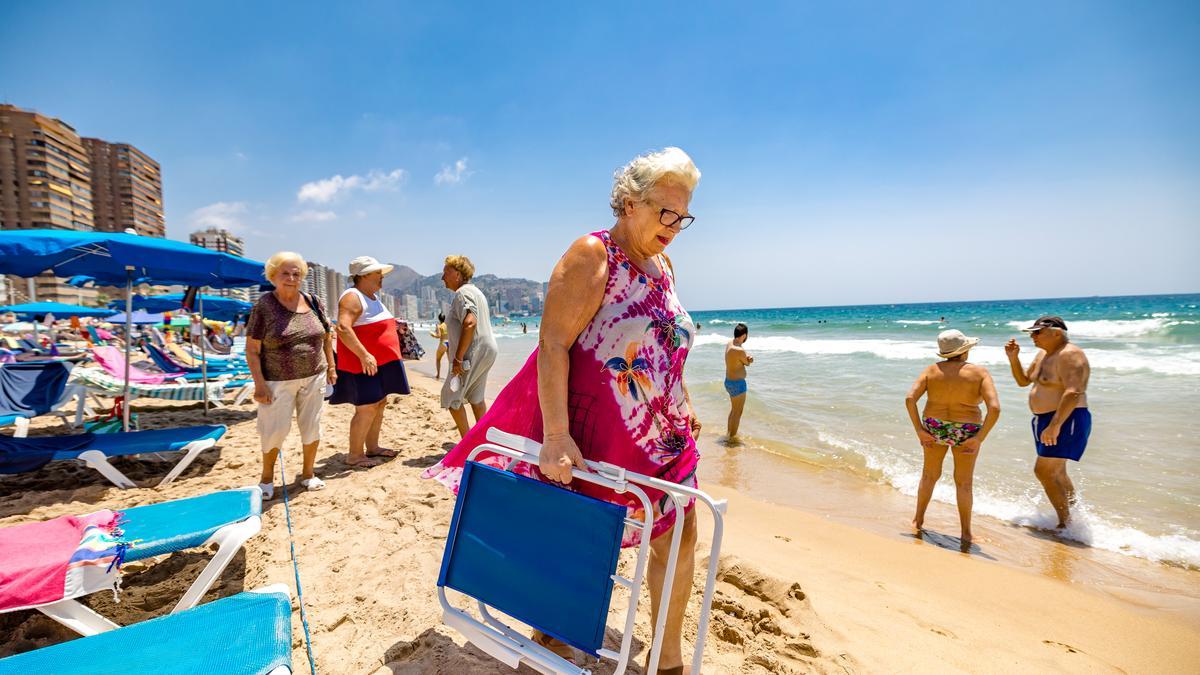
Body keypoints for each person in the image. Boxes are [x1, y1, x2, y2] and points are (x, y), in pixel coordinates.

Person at [423, 147, 703, 673]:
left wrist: (683, 401)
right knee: (578, 547)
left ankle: (669, 661)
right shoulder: (592, 255)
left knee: (680, 536)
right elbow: (552, 345)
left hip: (665, 438)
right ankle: (548, 641)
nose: (676, 225)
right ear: (627, 203)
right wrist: (555, 436)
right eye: (665, 211)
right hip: (597, 438)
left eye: (683, 215)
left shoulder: (663, 265)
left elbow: (667, 345)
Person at [246, 251, 334, 499]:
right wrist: (259, 385)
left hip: (314, 375)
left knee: (312, 427)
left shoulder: (314, 301)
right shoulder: (264, 306)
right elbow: (252, 351)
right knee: (274, 430)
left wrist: (332, 367)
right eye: (285, 273)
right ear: (273, 275)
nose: (291, 278)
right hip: (276, 381)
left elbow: (327, 335)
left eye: (297, 273)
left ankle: (308, 474)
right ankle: (266, 479)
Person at [905, 329, 1000, 546]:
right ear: (965, 351)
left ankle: (917, 521)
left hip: (934, 426)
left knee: (929, 476)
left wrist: (919, 430)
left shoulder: (931, 370)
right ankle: (966, 533)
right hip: (967, 429)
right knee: (964, 483)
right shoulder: (980, 373)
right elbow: (994, 408)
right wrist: (979, 438)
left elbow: (910, 398)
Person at [1005, 316, 1091, 528]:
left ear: (1056, 333)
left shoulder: (1070, 355)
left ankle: (1065, 525)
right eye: (1031, 333)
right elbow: (1023, 381)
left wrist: (1055, 425)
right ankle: (1075, 520)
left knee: (1043, 471)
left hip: (1065, 418)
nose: (1032, 336)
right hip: (1045, 420)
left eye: (1037, 332)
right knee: (1057, 472)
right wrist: (1013, 358)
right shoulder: (1043, 354)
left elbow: (1074, 391)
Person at [329, 256, 411, 467]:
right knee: (366, 407)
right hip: (363, 365)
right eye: (377, 273)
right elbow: (343, 328)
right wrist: (364, 354)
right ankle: (354, 455)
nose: (381, 277)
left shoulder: (372, 297)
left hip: (381, 364)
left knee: (379, 403)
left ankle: (372, 447)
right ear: (364, 275)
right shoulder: (352, 296)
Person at [440, 255, 499, 438]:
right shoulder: (477, 292)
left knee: (451, 397)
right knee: (476, 397)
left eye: (446, 273)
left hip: (472, 353)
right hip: (487, 350)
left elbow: (470, 322)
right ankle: (483, 440)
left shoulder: (462, 293)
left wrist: (458, 357)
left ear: (457, 274)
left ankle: (467, 443)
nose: (442, 277)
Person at [724, 322, 753, 439]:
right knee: (738, 412)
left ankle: (729, 434)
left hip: (728, 381)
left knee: (733, 410)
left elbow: (736, 360)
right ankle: (732, 439)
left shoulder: (730, 343)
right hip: (738, 384)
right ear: (744, 335)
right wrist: (750, 359)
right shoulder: (739, 350)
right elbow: (746, 363)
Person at [431, 313, 449, 379]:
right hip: (449, 343)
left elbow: (438, 336)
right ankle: (450, 375)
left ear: (439, 319)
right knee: (450, 361)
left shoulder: (439, 326)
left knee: (438, 359)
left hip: (443, 343)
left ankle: (438, 375)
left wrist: (432, 334)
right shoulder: (448, 325)